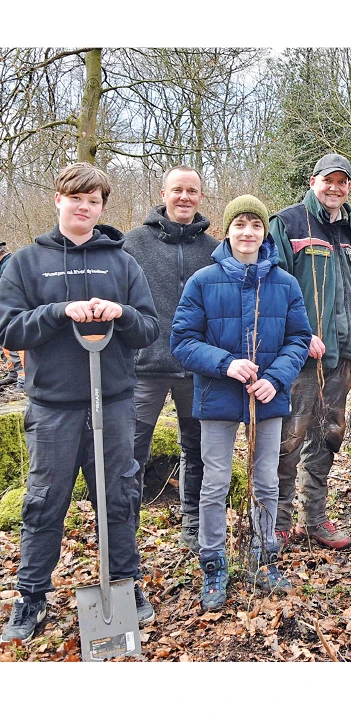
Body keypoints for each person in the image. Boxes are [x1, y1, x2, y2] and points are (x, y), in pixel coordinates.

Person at [0, 163, 159, 642]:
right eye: (75, 198)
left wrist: (122, 313)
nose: (83, 207)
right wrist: (57, 312)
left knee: (119, 495)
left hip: (112, 402)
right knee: (45, 501)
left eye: (93, 200)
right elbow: (7, 329)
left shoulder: (123, 262)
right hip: (53, 406)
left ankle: (124, 584)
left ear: (102, 207)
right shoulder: (26, 263)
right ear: (58, 200)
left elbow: (149, 328)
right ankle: (31, 596)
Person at [171, 195, 311, 611]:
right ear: (228, 230)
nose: (247, 232)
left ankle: (265, 556)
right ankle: (213, 562)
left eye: (255, 225)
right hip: (217, 395)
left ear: (265, 232)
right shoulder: (202, 281)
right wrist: (226, 364)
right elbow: (182, 341)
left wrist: (276, 378)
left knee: (267, 480)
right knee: (214, 483)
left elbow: (299, 339)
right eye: (240, 225)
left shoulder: (284, 283)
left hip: (267, 397)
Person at [269, 153, 351, 551]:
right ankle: (277, 523)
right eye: (327, 180)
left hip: (341, 358)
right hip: (301, 360)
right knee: (288, 440)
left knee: (328, 437)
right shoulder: (289, 223)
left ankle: (314, 518)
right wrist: (297, 335)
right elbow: (273, 287)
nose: (335, 187)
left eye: (342, 181)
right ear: (313, 181)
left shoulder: (349, 234)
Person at [122, 166, 218, 552]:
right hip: (145, 366)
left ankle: (193, 522)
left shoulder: (213, 250)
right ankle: (124, 529)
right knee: (132, 451)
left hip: (196, 368)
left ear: (201, 197)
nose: (184, 197)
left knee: (196, 448)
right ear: (163, 193)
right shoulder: (133, 244)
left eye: (191, 191)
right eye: (177, 190)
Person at [0, 241, 25, 388]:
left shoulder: (9, 265)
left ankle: (22, 378)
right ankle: (14, 373)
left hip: (15, 313)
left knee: (15, 344)